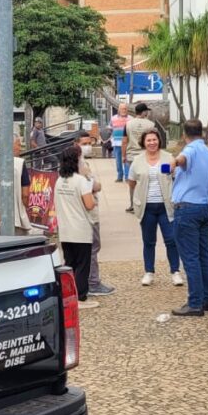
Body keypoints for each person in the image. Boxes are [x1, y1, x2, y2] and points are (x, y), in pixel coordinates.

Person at [168, 119, 208, 317]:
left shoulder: (191, 150)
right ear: (202, 132)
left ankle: (195, 303)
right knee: (204, 255)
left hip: (187, 208)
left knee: (190, 257)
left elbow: (182, 159)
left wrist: (173, 163)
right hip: (204, 206)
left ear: (184, 135)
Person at [128, 129, 183, 287]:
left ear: (159, 140)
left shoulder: (168, 158)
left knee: (171, 239)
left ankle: (175, 272)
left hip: (166, 206)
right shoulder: (137, 161)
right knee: (148, 241)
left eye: (154, 139)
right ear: (143, 143)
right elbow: (131, 182)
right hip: (146, 207)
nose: (152, 143)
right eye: (148, 140)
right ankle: (149, 272)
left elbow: (176, 177)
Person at [55, 144, 99, 309]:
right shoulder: (81, 181)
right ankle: (80, 297)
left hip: (65, 230)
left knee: (70, 264)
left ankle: (68, 296)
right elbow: (89, 204)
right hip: (80, 229)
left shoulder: (60, 180)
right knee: (82, 265)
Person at [74, 130, 115, 296]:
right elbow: (91, 186)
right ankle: (92, 282)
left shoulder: (80, 162)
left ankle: (84, 282)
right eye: (84, 144)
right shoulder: (78, 164)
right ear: (75, 145)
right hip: (87, 212)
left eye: (89, 143)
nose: (88, 147)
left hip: (82, 213)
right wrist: (95, 185)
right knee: (91, 247)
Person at [0, 134, 32, 236]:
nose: (20, 148)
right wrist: (26, 207)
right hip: (14, 219)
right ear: (11, 145)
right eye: (18, 145)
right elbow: (25, 195)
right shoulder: (19, 163)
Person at [123, 102, 156, 212]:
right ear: (144, 112)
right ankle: (146, 203)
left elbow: (124, 141)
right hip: (146, 156)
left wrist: (124, 156)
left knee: (132, 181)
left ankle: (132, 204)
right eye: (146, 111)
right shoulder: (151, 125)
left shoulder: (128, 124)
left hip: (132, 156)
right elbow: (155, 141)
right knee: (146, 180)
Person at [110, 103, 129, 182]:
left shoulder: (130, 119)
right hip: (116, 143)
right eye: (122, 108)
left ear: (127, 110)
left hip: (127, 143)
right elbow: (111, 128)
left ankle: (127, 177)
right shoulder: (113, 118)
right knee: (118, 161)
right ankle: (119, 176)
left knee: (126, 160)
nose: (123, 110)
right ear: (118, 110)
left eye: (125, 108)